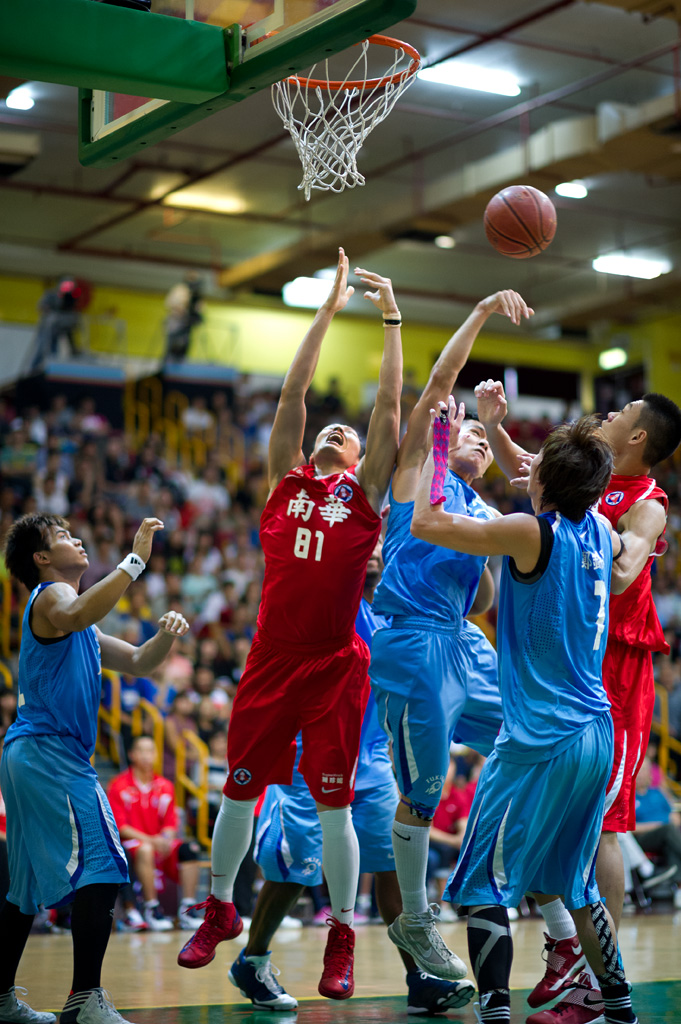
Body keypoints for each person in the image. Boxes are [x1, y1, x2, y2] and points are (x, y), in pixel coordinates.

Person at [177, 248, 403, 1000]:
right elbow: (292, 391)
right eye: (325, 430)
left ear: (359, 458)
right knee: (237, 792)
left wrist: (391, 320)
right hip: (271, 657)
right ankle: (219, 908)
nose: (333, 432)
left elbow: (388, 409)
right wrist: (328, 309)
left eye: (345, 433)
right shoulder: (285, 478)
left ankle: (340, 932)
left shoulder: (363, 494)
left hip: (334, 663)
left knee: (335, 807)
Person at [410, 398, 638, 1024]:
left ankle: (494, 1014)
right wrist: (521, 455)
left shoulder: (531, 531)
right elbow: (566, 486)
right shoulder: (601, 530)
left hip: (540, 735)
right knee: (576, 883)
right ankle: (619, 1007)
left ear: (545, 481)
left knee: (479, 881)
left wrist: (436, 442)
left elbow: (426, 521)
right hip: (596, 732)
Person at [473, 381, 681, 1022]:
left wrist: (592, 529)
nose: (610, 413)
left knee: (605, 826)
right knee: (544, 817)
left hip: (613, 668)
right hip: (563, 662)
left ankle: (595, 979)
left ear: (638, 436)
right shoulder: (586, 475)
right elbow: (531, 474)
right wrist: (494, 427)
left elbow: (621, 576)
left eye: (623, 412)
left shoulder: (646, 503)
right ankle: (568, 944)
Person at [229, 540, 476, 1014]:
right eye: (366, 546)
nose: (375, 551)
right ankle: (252, 960)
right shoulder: (328, 602)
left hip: (370, 759)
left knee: (393, 863)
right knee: (295, 868)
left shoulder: (395, 613)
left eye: (381, 545)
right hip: (310, 755)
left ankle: (419, 977)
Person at [367, 289, 533, 981]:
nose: (477, 441)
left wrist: (485, 561)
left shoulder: (481, 509)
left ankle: (503, 868)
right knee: (425, 790)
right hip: (414, 641)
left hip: (464, 640)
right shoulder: (418, 472)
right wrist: (483, 311)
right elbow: (439, 382)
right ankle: (415, 916)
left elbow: (487, 597)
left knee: (528, 738)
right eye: (469, 433)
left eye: (482, 441)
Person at [0, 512, 188, 1024]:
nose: (77, 539)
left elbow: (140, 661)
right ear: (41, 558)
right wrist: (134, 562)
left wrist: (165, 635)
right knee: (103, 865)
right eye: (63, 536)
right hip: (50, 754)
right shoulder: (53, 596)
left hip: (28, 753)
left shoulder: (79, 619)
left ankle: (0, 998)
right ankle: (85, 998)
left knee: (23, 891)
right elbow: (78, 611)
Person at [107, 735, 204, 932]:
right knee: (145, 850)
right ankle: (152, 908)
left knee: (190, 848)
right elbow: (121, 827)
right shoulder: (118, 785)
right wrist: (152, 841)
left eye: (150, 750)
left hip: (158, 842)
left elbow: (170, 823)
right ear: (132, 754)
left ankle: (187, 910)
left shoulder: (166, 785)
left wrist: (165, 839)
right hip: (132, 845)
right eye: (141, 750)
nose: (146, 755)